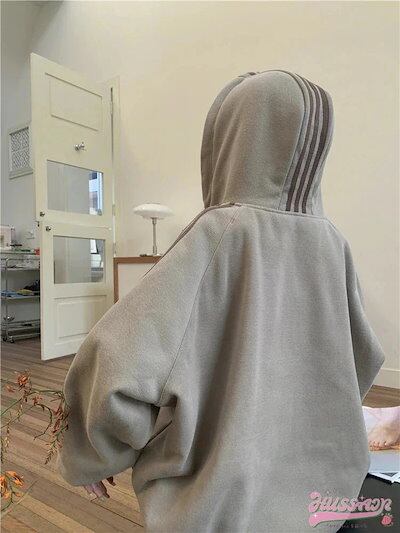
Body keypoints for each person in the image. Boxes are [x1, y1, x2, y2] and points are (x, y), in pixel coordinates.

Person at [58, 71, 385, 532]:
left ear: (233, 138)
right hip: (326, 500)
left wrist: (94, 453)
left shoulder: (218, 234)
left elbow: (117, 360)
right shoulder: (333, 242)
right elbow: (362, 358)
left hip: (221, 508)